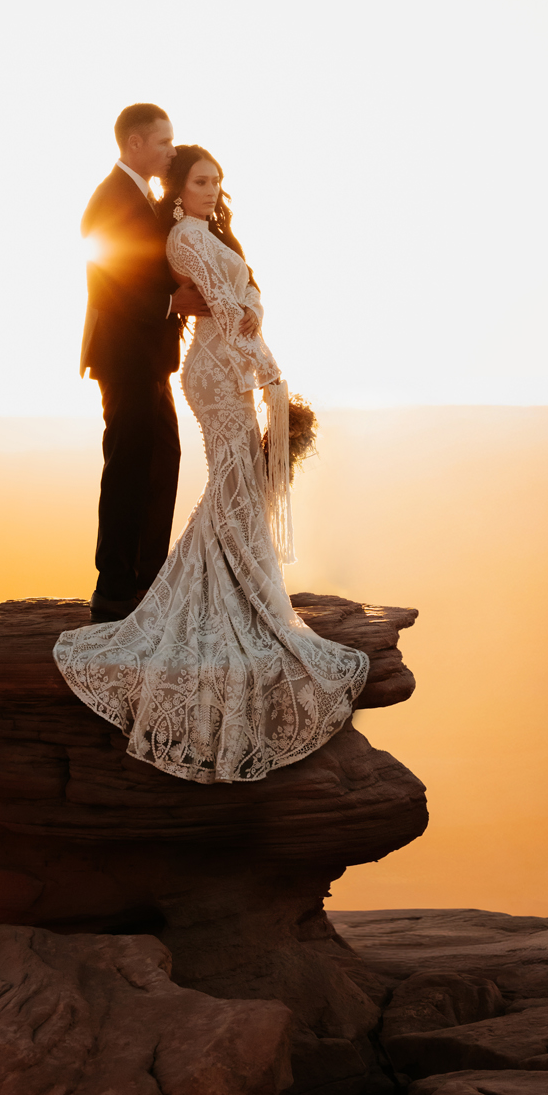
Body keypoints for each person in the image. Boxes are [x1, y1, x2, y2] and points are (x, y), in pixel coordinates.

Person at [56, 145, 369, 783]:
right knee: (236, 482)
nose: (211, 188)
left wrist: (257, 328)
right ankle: (227, 594)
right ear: (178, 189)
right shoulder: (183, 240)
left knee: (241, 485)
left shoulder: (211, 234)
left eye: (216, 180)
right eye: (201, 180)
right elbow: (225, 309)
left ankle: (246, 588)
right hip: (217, 373)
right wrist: (269, 372)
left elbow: (245, 298)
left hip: (233, 369)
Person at [80, 103, 208, 624]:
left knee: (161, 460)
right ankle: (114, 590)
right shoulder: (111, 199)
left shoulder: (143, 196)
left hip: (149, 358)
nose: (171, 150)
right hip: (126, 357)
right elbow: (108, 281)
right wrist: (170, 302)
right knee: (129, 467)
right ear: (135, 143)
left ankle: (147, 580)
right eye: (163, 141)